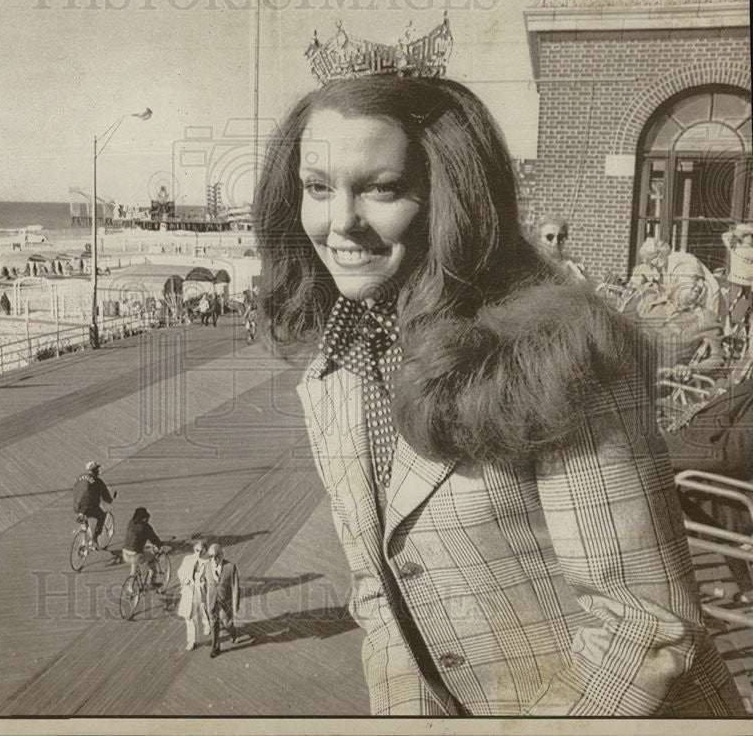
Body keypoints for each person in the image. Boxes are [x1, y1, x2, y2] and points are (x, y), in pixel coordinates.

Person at [253, 72, 744, 716]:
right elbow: (381, 601)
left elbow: (645, 628)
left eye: (381, 188)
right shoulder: (337, 374)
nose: (341, 222)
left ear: (449, 195)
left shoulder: (562, 352)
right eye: (318, 189)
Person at [204, 543, 240, 659]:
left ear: (222, 554)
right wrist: (204, 602)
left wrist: (235, 604)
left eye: (216, 556)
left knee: (227, 622)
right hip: (212, 602)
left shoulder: (230, 567)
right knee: (214, 624)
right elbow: (204, 585)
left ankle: (232, 631)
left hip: (225, 601)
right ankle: (215, 648)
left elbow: (235, 587)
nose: (213, 559)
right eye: (210, 556)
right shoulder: (206, 566)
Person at [72, 460, 115, 549]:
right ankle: (95, 539)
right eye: (97, 469)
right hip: (88, 507)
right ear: (94, 470)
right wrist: (110, 499)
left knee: (85, 518)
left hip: (76, 506)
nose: (99, 471)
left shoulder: (80, 478)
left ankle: (84, 532)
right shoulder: (97, 481)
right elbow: (106, 497)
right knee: (101, 516)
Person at [177, 539, 211, 650]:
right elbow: (180, 572)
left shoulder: (207, 564)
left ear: (205, 551)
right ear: (194, 549)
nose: (199, 553)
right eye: (197, 550)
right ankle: (191, 641)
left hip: (200, 591)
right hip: (188, 591)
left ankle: (207, 624)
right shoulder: (187, 559)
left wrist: (204, 582)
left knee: (203, 607)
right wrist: (184, 580)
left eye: (202, 551)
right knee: (189, 617)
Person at [122, 507, 165, 588]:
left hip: (125, 553)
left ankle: (133, 584)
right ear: (145, 518)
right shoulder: (146, 527)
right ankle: (152, 582)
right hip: (135, 555)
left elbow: (135, 537)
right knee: (152, 558)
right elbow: (154, 539)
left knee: (134, 570)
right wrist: (160, 545)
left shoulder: (130, 523)